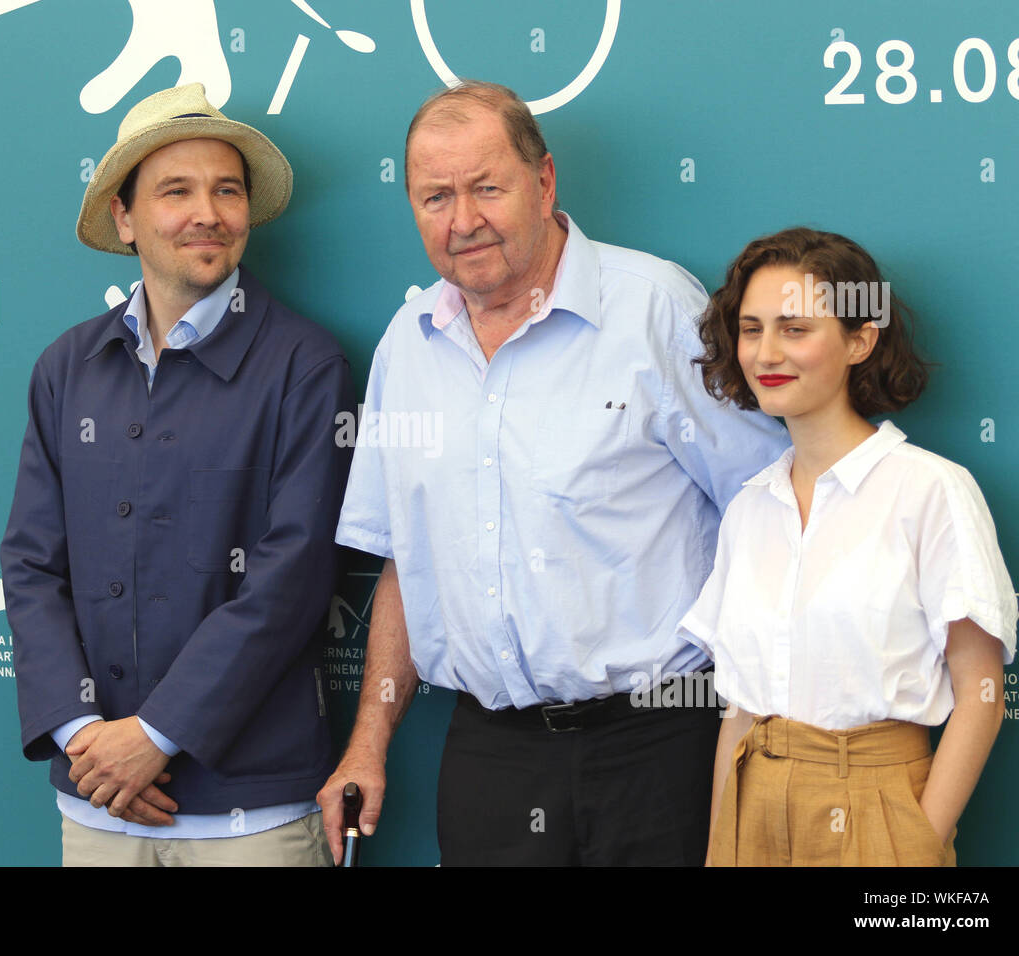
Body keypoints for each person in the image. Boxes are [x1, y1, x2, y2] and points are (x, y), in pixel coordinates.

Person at [318, 81, 790, 865]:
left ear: (543, 183)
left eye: (485, 188)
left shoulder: (655, 308)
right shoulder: (407, 345)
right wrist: (368, 744)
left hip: (660, 744)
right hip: (489, 755)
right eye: (435, 197)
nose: (462, 220)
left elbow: (769, 509)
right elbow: (407, 557)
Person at [0, 83, 352, 866]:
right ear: (124, 218)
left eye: (228, 190)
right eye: (177, 191)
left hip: (251, 816)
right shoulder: (66, 369)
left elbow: (291, 579)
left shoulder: (305, 365)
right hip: (95, 804)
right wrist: (85, 737)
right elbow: (29, 566)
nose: (209, 212)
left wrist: (155, 737)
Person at [680, 227, 1015, 866]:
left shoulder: (931, 489)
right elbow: (740, 712)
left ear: (861, 340)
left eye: (795, 328)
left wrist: (918, 842)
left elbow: (981, 691)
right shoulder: (750, 507)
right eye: (751, 329)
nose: (765, 352)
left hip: (881, 807)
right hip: (754, 808)